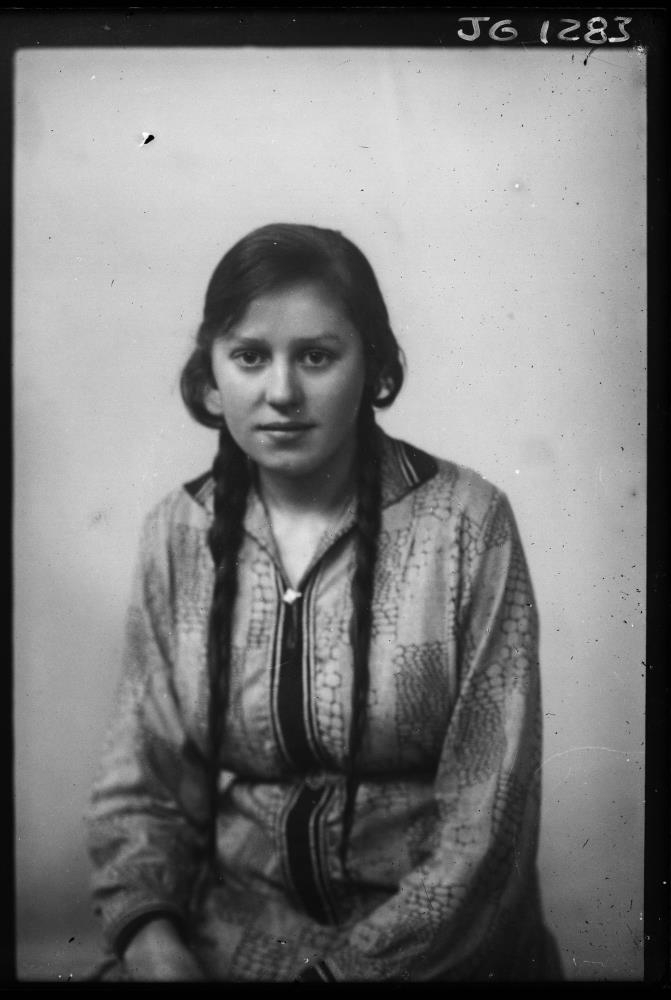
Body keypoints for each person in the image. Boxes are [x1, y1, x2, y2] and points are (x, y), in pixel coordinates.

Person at [85, 222, 563, 982]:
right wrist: (156, 947)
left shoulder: (466, 526)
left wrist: (339, 976)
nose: (280, 392)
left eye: (316, 356)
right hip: (230, 943)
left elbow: (488, 829)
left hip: (424, 961)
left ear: (373, 367)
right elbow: (141, 791)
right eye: (250, 356)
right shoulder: (178, 532)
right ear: (209, 376)